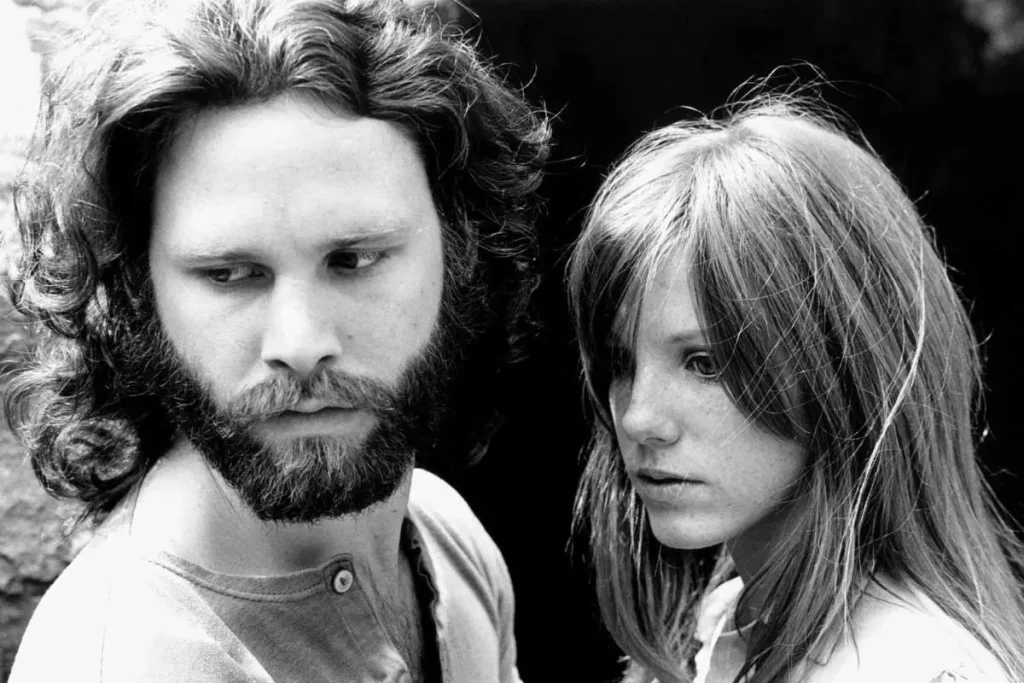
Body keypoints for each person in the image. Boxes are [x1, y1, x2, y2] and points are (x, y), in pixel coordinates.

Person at [4, 0, 549, 681]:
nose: (300, 342)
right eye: (230, 274)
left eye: (354, 259)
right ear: (138, 291)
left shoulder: (445, 532)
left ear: (460, 252)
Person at [566, 93, 1024, 683]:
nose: (637, 418)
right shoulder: (726, 628)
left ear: (840, 369)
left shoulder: (917, 667)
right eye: (621, 362)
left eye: (705, 363)